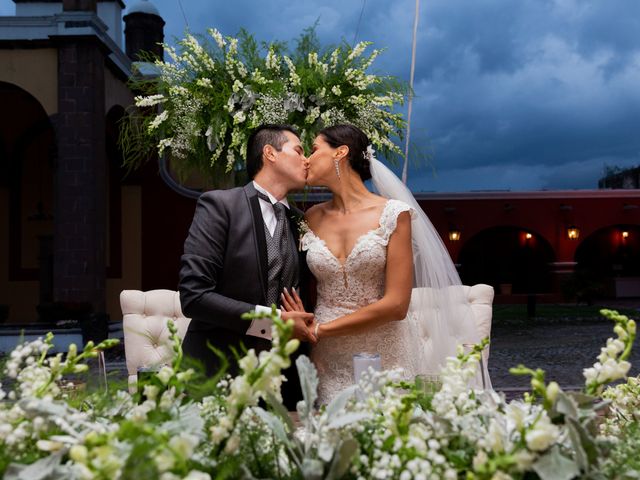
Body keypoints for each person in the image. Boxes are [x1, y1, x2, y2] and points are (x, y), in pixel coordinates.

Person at [282, 124, 490, 404]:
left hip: (385, 351)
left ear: (340, 153)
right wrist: (302, 322)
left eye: (314, 149)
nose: (306, 158)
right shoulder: (310, 218)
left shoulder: (393, 214)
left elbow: (396, 305)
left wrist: (319, 330)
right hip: (327, 356)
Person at [179, 124, 316, 409]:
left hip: (286, 381)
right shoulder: (220, 205)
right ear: (270, 153)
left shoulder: (301, 221)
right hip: (221, 370)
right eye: (299, 150)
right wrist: (274, 322)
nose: (307, 160)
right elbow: (194, 296)